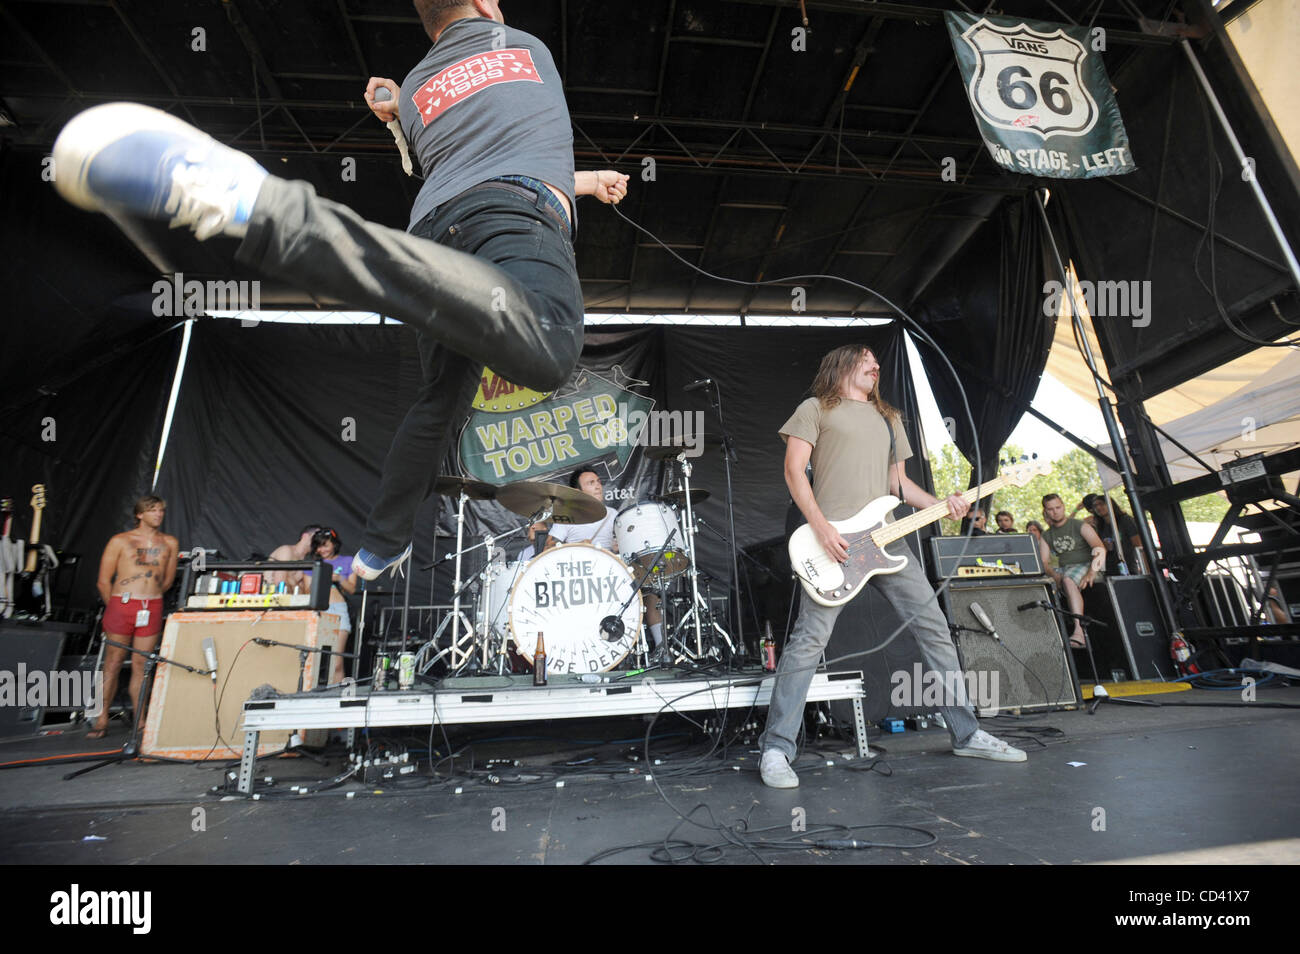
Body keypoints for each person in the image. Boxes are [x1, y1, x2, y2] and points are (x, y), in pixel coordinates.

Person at [51, 0, 629, 584]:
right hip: (516, 213)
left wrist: (400, 114)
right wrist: (587, 181)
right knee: (550, 345)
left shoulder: (421, 86)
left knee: (439, 401)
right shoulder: (529, 48)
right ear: (484, 4)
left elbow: (469, 153)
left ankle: (384, 539)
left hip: (437, 227)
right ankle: (280, 214)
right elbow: (528, 153)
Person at [760, 345, 1026, 788]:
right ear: (843, 364)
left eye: (878, 362)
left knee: (935, 630)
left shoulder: (889, 417)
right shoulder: (814, 408)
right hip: (836, 543)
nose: (876, 366)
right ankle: (775, 750)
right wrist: (823, 529)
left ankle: (967, 731)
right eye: (867, 359)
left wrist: (944, 504)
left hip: (886, 540)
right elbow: (793, 471)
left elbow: (898, 484)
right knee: (809, 641)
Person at [88, 495, 179, 739]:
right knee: (113, 662)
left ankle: (141, 721)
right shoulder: (120, 541)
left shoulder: (169, 542)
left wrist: (149, 595)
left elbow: (168, 580)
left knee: (142, 665)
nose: (158, 514)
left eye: (161, 510)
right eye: (152, 510)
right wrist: (117, 606)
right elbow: (103, 580)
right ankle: (102, 718)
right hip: (123, 603)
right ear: (139, 514)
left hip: (151, 606)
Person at [545, 466, 665, 651]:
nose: (598, 486)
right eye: (591, 483)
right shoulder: (566, 517)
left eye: (598, 482)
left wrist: (619, 547)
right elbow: (547, 548)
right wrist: (575, 547)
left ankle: (661, 648)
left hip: (611, 577)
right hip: (578, 581)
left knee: (649, 594)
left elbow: (627, 548)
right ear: (578, 492)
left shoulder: (613, 515)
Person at [1038, 493, 1105, 648]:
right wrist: (1055, 575)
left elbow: (1099, 548)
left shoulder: (1079, 525)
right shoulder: (1046, 535)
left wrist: (1091, 572)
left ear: (1063, 506)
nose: (1055, 511)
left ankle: (1078, 631)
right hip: (1064, 569)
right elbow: (1043, 562)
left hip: (1086, 564)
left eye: (1058, 507)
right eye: (1051, 509)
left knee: (1068, 580)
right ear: (1046, 511)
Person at [312, 527, 359, 683]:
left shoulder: (347, 561)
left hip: (338, 608)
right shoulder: (314, 563)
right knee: (313, 659)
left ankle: (337, 696)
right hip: (317, 610)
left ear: (334, 544)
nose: (322, 549)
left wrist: (339, 578)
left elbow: (352, 589)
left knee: (336, 662)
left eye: (325, 545)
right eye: (319, 546)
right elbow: (307, 589)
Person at [1081, 493, 1147, 575]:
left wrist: (1146, 568)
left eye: (1101, 504)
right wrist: (1104, 546)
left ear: (1110, 504)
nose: (1098, 507)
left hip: (1128, 567)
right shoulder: (1100, 526)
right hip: (1109, 569)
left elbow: (1138, 544)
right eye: (1095, 506)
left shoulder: (1125, 520)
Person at [267, 524, 322, 593]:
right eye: (316, 537)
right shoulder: (286, 550)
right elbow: (279, 583)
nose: (318, 542)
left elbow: (303, 591)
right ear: (305, 536)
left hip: (289, 600)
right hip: (270, 598)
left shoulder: (305, 564)